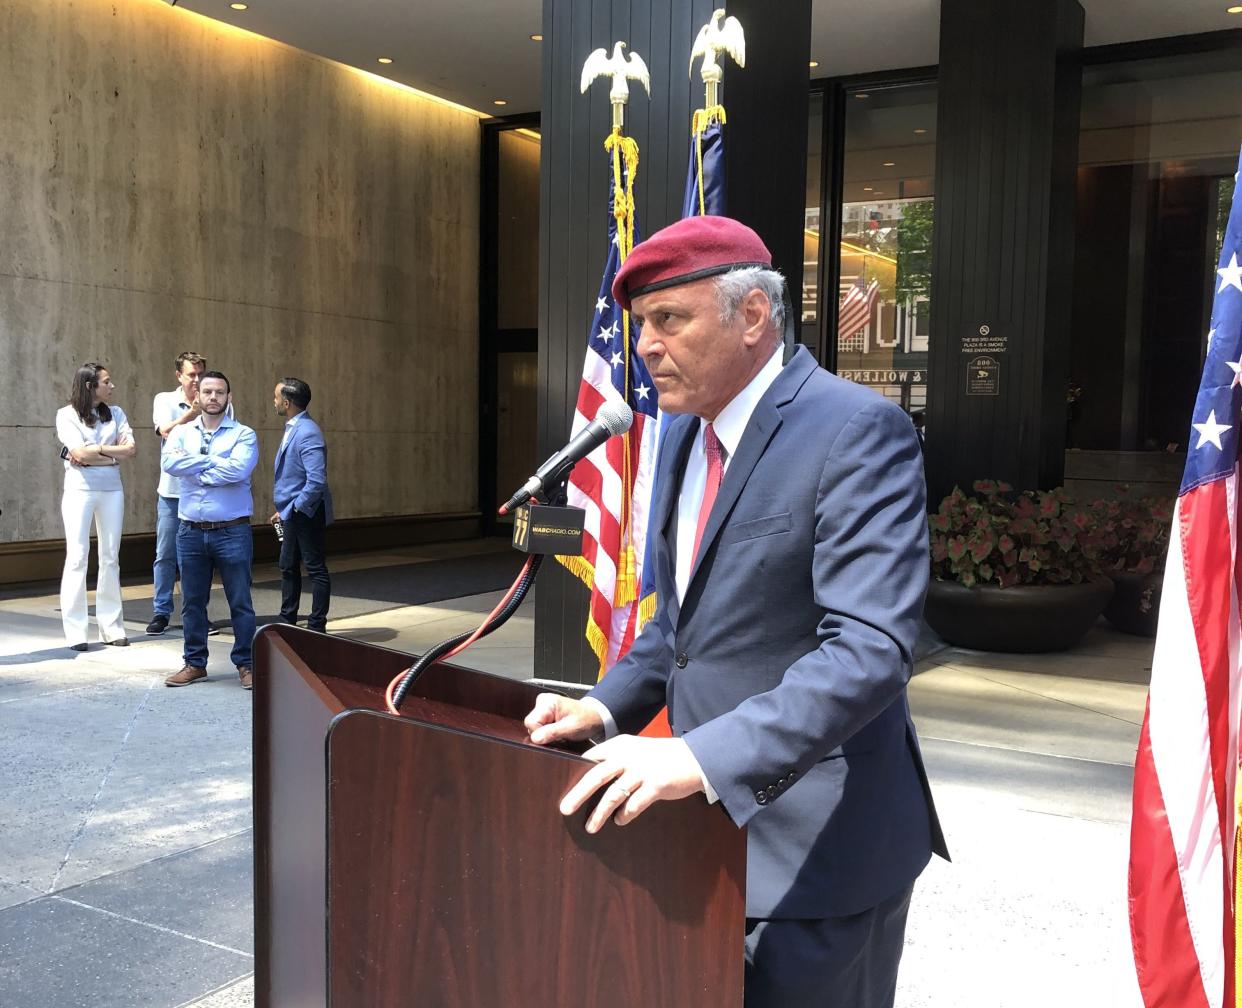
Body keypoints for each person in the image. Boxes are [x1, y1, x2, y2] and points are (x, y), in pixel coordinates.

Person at [523, 216, 947, 1008]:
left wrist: (700, 757)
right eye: (640, 325)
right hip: (701, 840)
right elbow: (679, 629)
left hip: (821, 853)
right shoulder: (683, 438)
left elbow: (870, 651)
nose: (647, 345)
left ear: (752, 315)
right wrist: (602, 709)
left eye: (669, 319)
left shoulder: (855, 429)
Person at [160, 372, 258, 690]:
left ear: (229, 397)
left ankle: (246, 664)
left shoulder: (244, 434)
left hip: (232, 531)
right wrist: (214, 464)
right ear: (197, 397)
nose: (213, 397)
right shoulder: (181, 433)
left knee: (240, 601)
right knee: (192, 602)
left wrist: (195, 469)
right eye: (207, 392)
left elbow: (239, 469)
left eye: (219, 392)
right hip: (190, 532)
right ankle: (194, 663)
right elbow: (170, 465)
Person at [148, 351, 232, 636]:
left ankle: (197, 614)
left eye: (200, 374)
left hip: (201, 491)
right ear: (179, 376)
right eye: (191, 375)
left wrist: (191, 453)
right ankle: (161, 611)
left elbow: (219, 446)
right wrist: (192, 414)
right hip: (172, 492)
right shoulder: (165, 400)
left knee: (196, 558)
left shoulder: (217, 401)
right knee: (166, 554)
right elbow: (165, 432)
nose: (197, 380)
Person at [55, 363, 136, 650]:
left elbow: (130, 450)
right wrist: (109, 453)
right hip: (80, 489)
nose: (112, 386)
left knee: (110, 557)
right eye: (106, 382)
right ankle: (76, 631)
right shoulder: (66, 415)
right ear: (90, 385)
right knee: (77, 556)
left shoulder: (116, 414)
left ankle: (111, 627)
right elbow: (77, 453)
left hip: (112, 489)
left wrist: (98, 451)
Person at [269, 377, 333, 632]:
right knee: (287, 565)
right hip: (293, 511)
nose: (273, 401)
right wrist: (284, 510)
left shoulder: (307, 431)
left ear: (286, 402)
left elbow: (316, 480)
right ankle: (288, 621)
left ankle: (317, 625)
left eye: (275, 397)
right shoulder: (295, 427)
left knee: (315, 567)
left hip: (306, 512)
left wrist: (295, 508)